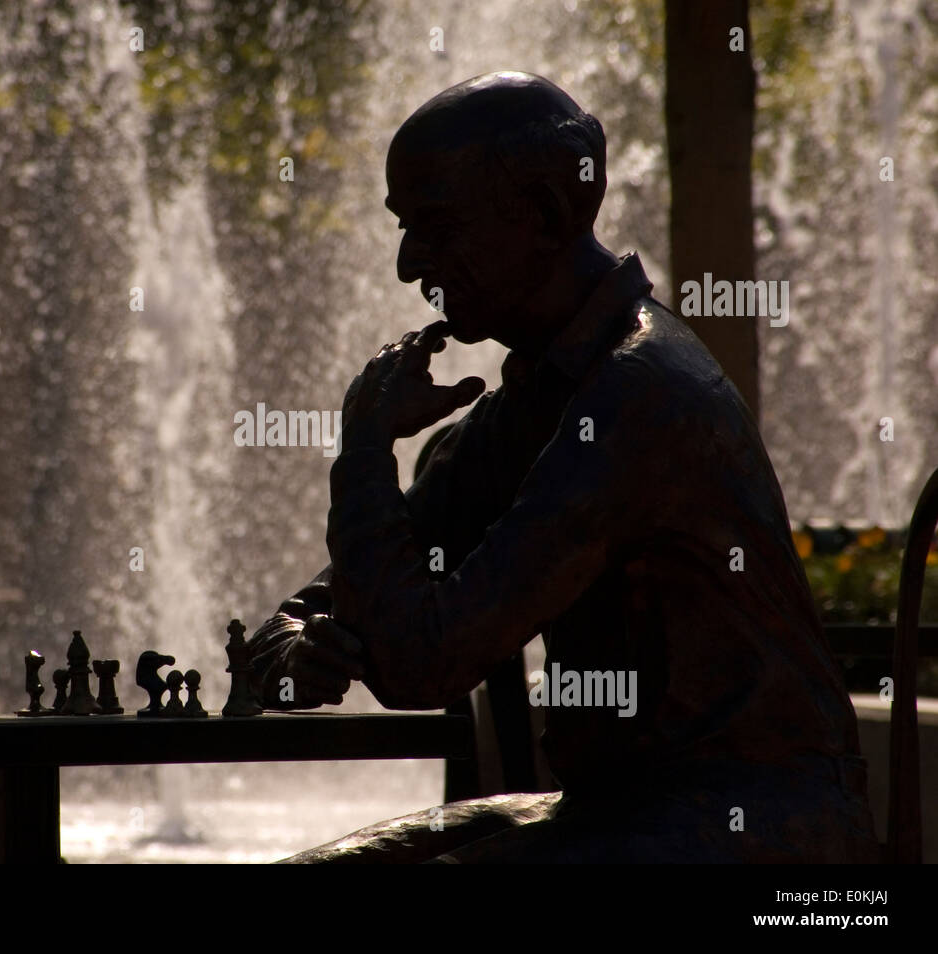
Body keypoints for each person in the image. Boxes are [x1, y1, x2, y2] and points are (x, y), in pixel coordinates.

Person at [247, 71, 878, 863]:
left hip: (758, 823)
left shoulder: (639, 395)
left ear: (547, 212)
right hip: (619, 810)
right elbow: (297, 623)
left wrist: (367, 449)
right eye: (405, 229)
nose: (410, 267)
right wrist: (297, 651)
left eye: (436, 228)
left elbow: (423, 665)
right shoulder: (535, 398)